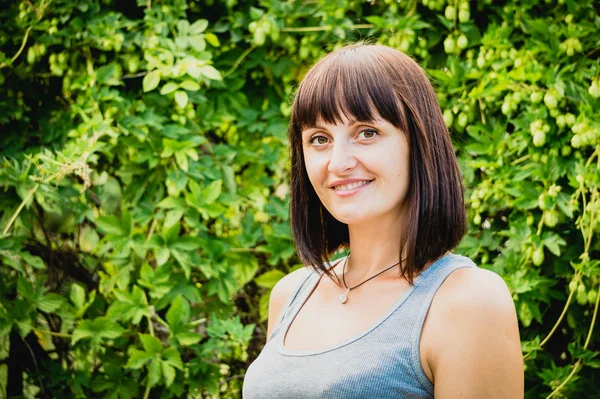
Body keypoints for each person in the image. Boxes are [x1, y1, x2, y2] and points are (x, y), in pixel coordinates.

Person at [242, 43, 523, 398]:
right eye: (319, 139)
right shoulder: (291, 293)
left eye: (367, 133)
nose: (338, 162)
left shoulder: (469, 302)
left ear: (419, 143)